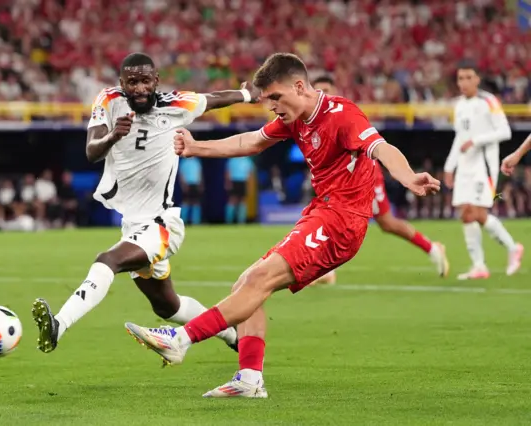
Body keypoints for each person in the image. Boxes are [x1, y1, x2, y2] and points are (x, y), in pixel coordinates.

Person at [124, 53, 440, 398]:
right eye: (266, 100)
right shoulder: (295, 118)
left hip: (342, 220)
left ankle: (181, 339)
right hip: (322, 211)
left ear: (300, 86)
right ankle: (249, 379)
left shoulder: (341, 114)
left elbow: (382, 148)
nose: (272, 106)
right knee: (246, 284)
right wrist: (198, 147)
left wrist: (408, 176)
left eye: (276, 97)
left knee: (258, 280)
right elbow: (252, 141)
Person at [32, 52, 260, 354]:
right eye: (132, 82)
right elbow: (92, 151)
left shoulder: (177, 104)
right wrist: (113, 135)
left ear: (156, 81)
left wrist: (247, 93)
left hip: (163, 224)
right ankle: (233, 337)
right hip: (134, 226)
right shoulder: (108, 100)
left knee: (107, 261)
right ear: (122, 84)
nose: (139, 88)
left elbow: (215, 98)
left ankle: (58, 325)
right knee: (168, 307)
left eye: (144, 81)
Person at [310, 76, 448, 285]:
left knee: (383, 222)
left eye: (326, 89)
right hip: (336, 180)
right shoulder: (311, 119)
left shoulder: (344, 114)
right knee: (331, 216)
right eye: (318, 90)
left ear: (335, 90)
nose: (322, 94)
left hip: (362, 176)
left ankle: (432, 248)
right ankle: (323, 268)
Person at [443, 61, 523, 280]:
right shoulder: (458, 105)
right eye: (461, 78)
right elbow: (459, 138)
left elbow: (505, 131)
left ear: (478, 79)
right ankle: (479, 265)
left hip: (483, 166)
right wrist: (450, 167)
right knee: (466, 215)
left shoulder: (489, 101)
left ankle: (512, 247)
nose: (465, 82)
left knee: (478, 213)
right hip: (464, 167)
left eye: (469, 77)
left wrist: (476, 141)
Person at [225, 157, 254, 224]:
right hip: (234, 181)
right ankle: (229, 221)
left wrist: (249, 185)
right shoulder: (232, 159)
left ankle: (241, 221)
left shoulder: (247, 160)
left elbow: (250, 173)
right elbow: (228, 172)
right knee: (232, 200)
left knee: (243, 201)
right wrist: (228, 183)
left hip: (243, 181)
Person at [178, 157, 203, 224]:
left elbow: (199, 172)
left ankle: (196, 222)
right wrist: (183, 184)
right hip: (187, 183)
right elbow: (181, 173)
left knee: (196, 202)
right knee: (186, 202)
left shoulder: (196, 161)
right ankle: (183, 221)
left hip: (195, 183)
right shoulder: (184, 161)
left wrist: (200, 183)